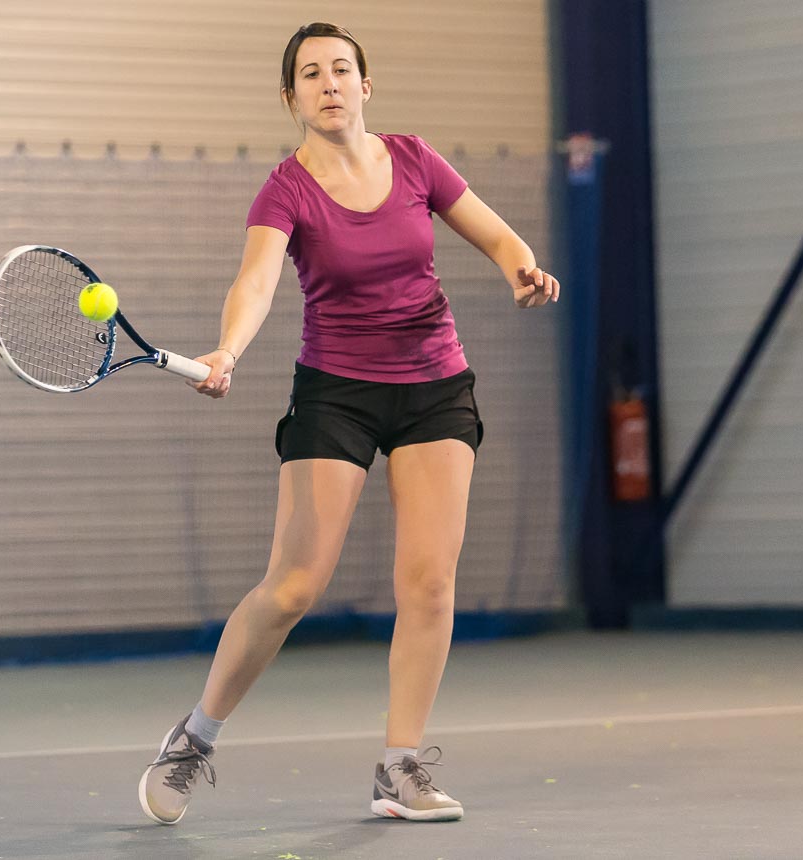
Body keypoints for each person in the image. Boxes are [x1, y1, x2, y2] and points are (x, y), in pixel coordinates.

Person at [138, 21, 559, 826]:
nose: (328, 82)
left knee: (429, 581)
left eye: (341, 69)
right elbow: (256, 282)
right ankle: (195, 738)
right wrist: (227, 350)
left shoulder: (415, 159)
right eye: (311, 73)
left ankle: (400, 769)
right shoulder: (285, 190)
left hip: (435, 385)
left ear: (366, 86)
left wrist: (521, 272)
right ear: (291, 98)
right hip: (336, 390)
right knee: (295, 585)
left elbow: (499, 235)